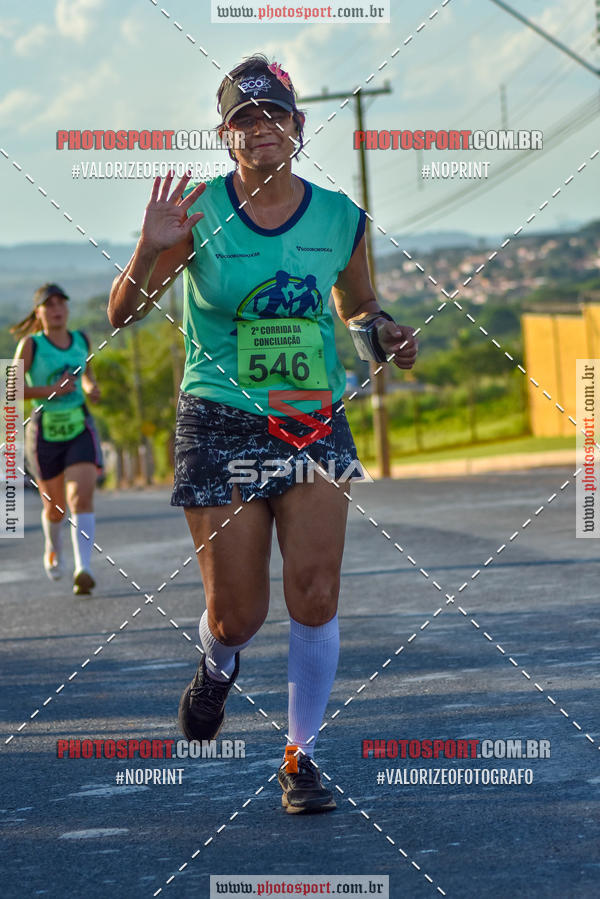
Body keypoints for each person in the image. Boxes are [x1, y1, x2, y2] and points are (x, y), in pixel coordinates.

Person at [107, 54, 418, 813]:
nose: (262, 127)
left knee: (315, 593)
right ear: (227, 136)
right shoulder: (197, 214)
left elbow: (358, 307)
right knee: (236, 614)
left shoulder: (341, 217)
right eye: (245, 118)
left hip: (312, 418)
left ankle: (300, 756)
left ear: (299, 127)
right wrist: (150, 248)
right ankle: (217, 668)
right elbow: (122, 314)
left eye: (274, 113)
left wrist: (385, 335)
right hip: (219, 419)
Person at [11, 283, 103, 596]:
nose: (56, 309)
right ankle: (53, 546)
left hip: (79, 425)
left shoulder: (82, 339)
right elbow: (12, 391)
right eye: (48, 305)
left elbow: (88, 376)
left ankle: (83, 568)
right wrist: (50, 391)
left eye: (61, 303)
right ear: (39, 312)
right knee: (56, 509)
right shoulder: (31, 345)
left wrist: (91, 388)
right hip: (45, 429)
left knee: (81, 497)